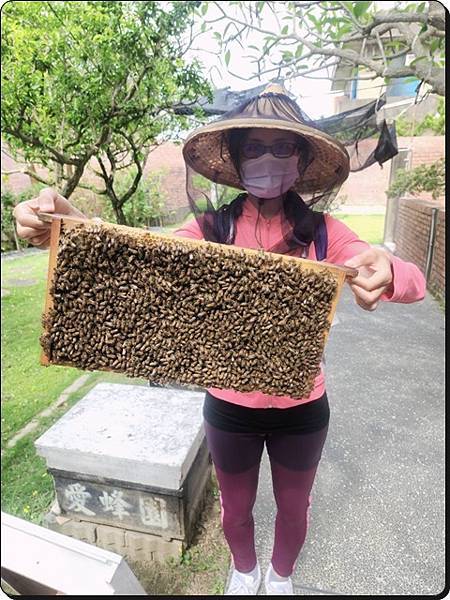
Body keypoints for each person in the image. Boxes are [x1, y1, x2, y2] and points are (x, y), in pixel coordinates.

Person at [13, 83, 426, 595]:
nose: (268, 159)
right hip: (229, 409)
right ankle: (245, 570)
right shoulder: (210, 228)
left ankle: (280, 577)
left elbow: (414, 282)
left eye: (281, 148)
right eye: (254, 148)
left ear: (299, 158)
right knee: (236, 506)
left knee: (296, 507)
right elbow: (144, 265)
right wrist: (68, 225)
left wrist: (388, 269)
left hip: (303, 406)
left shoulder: (326, 233)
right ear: (236, 157)